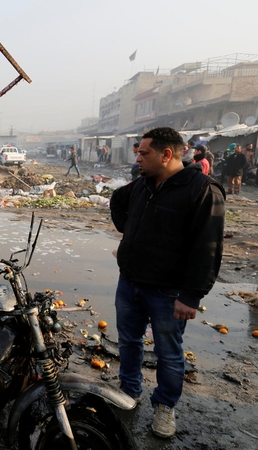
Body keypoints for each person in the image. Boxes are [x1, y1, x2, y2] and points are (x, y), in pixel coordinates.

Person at [110, 127, 225, 438]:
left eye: (143, 153)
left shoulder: (202, 189)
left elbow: (209, 246)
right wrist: (130, 232)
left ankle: (164, 407)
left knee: (168, 352)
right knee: (129, 341)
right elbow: (116, 201)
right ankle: (128, 392)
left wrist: (191, 295)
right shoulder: (141, 185)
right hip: (130, 283)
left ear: (167, 154)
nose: (138, 157)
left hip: (168, 291)